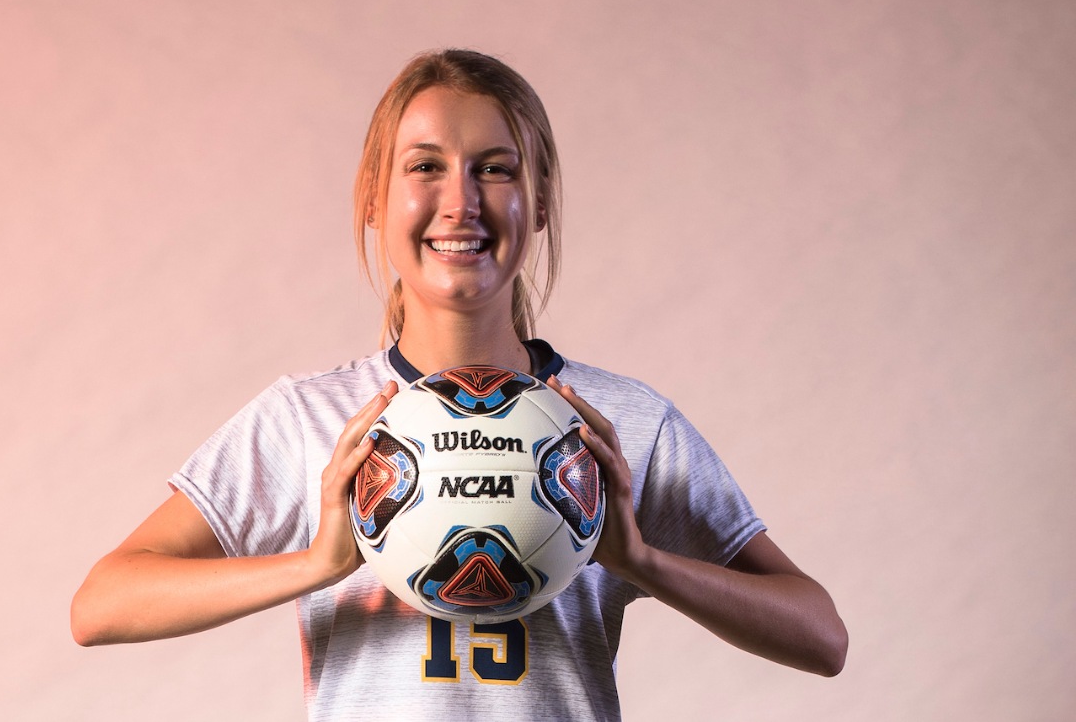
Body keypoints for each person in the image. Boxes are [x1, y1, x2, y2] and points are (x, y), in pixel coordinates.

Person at [71, 49, 847, 720]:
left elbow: (820, 634)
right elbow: (101, 603)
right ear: (375, 198)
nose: (462, 201)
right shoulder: (313, 423)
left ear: (539, 201)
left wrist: (644, 561)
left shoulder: (620, 425)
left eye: (495, 168)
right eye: (426, 165)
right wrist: (318, 562)